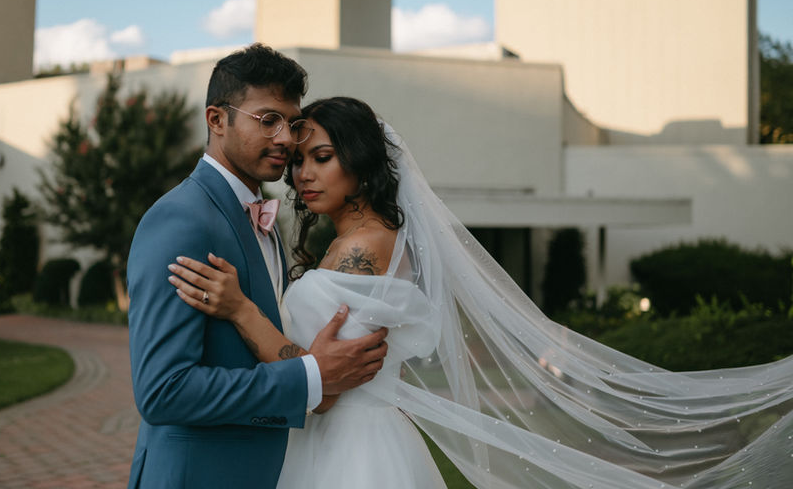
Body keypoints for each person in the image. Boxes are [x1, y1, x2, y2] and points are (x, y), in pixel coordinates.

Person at [169, 96, 793, 489]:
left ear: (359, 163)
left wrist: (241, 310)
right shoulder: (352, 241)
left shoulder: (367, 250)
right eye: (299, 159)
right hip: (332, 443)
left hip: (349, 454)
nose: (303, 173)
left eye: (323, 157)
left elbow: (322, 389)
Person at [126, 48, 390, 489]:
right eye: (267, 120)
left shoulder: (260, 221)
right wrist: (309, 376)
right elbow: (163, 390)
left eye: (292, 122)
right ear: (216, 120)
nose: (287, 138)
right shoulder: (182, 219)